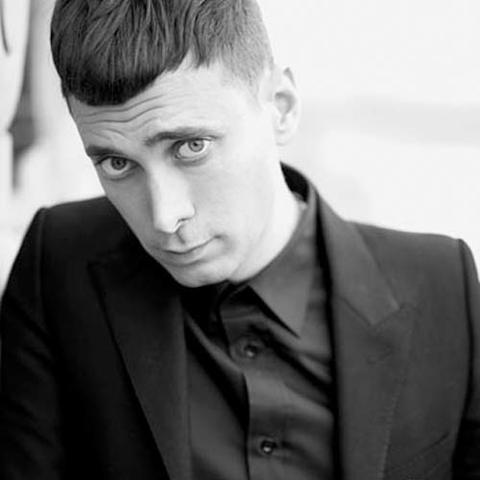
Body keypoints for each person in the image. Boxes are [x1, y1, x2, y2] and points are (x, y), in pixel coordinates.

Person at [1, 0, 479, 478]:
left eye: (191, 147)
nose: (165, 216)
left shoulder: (445, 287)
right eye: (117, 163)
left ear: (281, 107)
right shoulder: (58, 264)